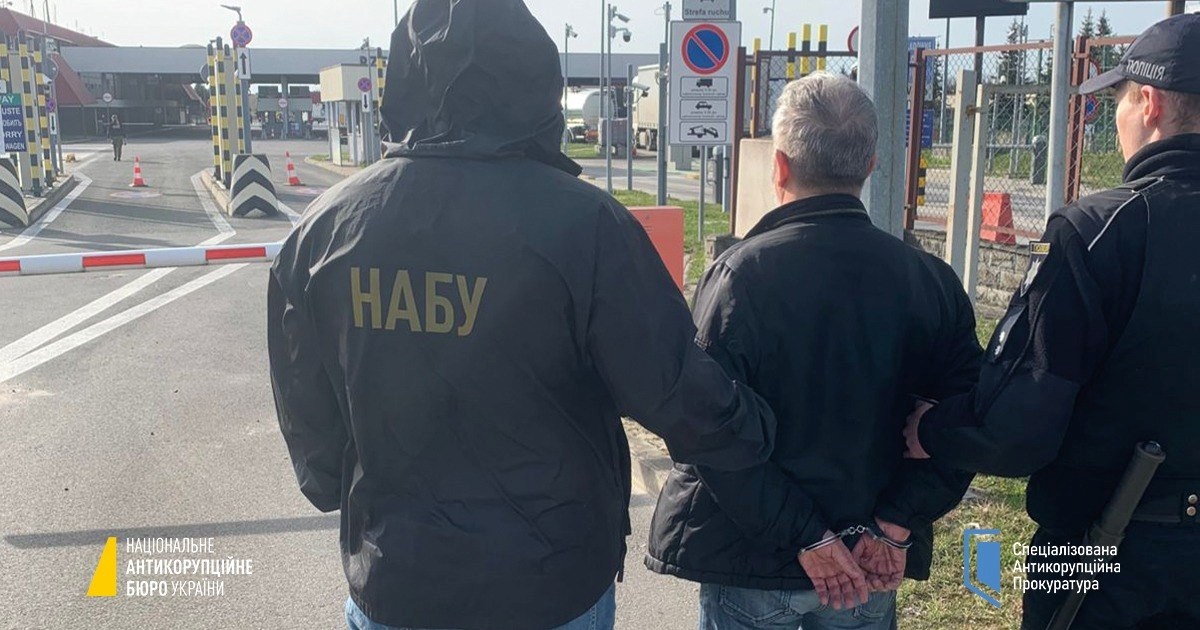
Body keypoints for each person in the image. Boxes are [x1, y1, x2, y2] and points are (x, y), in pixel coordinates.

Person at [267, 2, 777, 629]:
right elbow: (672, 389)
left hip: (397, 573)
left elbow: (307, 411)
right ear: (537, 84)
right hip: (551, 578)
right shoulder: (587, 224)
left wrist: (335, 484)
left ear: (402, 82)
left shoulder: (325, 228)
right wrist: (767, 436)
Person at [646, 72, 983, 630]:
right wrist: (897, 521)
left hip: (755, 561)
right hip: (872, 556)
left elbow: (706, 429)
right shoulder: (930, 279)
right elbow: (968, 419)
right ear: (871, 165)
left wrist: (806, 535)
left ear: (779, 166)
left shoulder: (740, 278)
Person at [904, 13, 1200, 629]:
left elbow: (1018, 426)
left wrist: (933, 429)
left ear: (1149, 104)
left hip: (1090, 545)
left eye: (1118, 101)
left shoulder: (1096, 232)